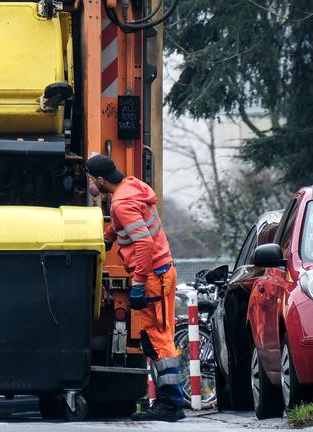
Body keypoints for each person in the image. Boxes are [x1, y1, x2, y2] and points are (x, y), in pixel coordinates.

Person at [86, 154, 184, 422]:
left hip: (154, 275)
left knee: (158, 336)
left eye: (92, 180)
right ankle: (168, 400)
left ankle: (172, 404)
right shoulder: (130, 186)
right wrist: (106, 239)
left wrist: (139, 282)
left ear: (101, 180)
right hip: (160, 273)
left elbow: (144, 244)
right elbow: (125, 227)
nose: (92, 185)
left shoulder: (120, 203)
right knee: (153, 338)